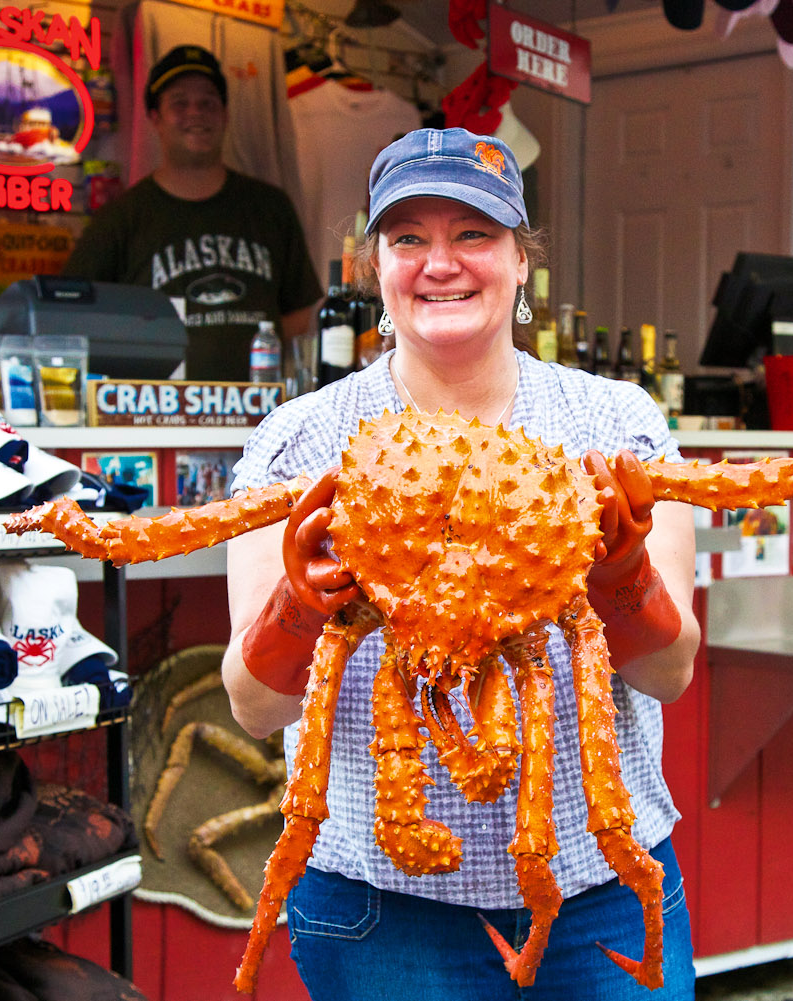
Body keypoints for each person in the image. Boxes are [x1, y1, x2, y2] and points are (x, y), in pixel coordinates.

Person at [222, 127, 700, 1000]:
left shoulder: (612, 427)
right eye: (409, 238)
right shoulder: (302, 444)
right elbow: (254, 707)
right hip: (377, 910)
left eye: (474, 234)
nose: (441, 261)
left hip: (599, 896)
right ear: (375, 267)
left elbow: (671, 673)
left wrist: (620, 573)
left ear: (522, 262)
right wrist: (300, 602)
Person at [60, 45, 321, 382]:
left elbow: (301, 313)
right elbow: (71, 313)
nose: (195, 113)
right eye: (179, 103)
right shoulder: (121, 218)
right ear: (155, 118)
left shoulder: (270, 207)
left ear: (225, 115)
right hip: (154, 420)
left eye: (207, 102)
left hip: (258, 411)